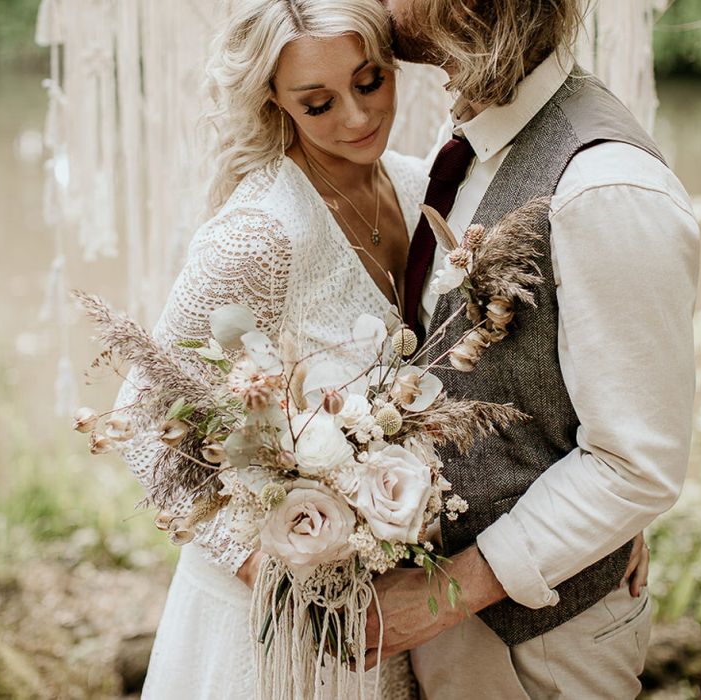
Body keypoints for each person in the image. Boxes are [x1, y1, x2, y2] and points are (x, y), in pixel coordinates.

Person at [364, 1, 701, 699]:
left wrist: (438, 599)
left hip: (545, 648)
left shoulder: (606, 189)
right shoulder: (473, 139)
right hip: (457, 627)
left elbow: (636, 464)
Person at [115, 1, 428, 697]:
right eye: (318, 104)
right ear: (276, 104)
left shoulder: (418, 186)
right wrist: (269, 565)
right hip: (266, 627)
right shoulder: (260, 233)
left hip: (393, 611)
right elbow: (143, 418)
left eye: (370, 81)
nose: (355, 117)